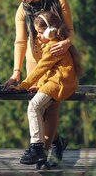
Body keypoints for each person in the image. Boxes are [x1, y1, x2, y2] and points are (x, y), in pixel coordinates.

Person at [3, 0, 75, 165]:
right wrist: (17, 72)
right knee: (37, 104)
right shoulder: (22, 10)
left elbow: (70, 30)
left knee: (51, 105)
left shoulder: (59, 0)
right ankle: (53, 144)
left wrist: (67, 44)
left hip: (56, 55)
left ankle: (44, 150)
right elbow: (20, 41)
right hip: (34, 61)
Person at [14, 11, 82, 166]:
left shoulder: (52, 47)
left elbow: (41, 69)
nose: (38, 36)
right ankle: (51, 144)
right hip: (58, 82)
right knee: (38, 109)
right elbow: (49, 71)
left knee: (33, 106)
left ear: (50, 31)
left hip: (59, 84)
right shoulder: (55, 43)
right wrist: (37, 86)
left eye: (39, 32)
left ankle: (37, 148)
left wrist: (23, 85)